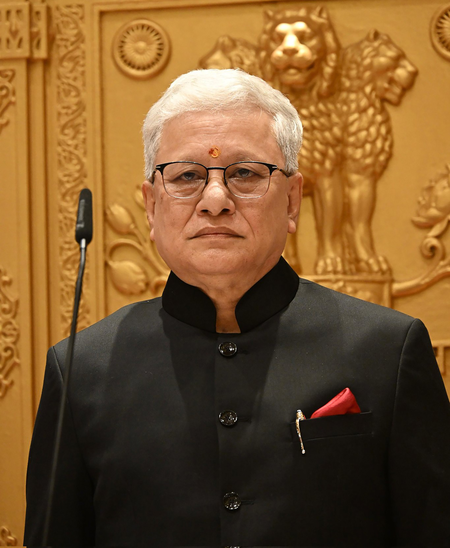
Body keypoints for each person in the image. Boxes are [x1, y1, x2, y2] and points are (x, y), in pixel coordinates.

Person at [24, 69, 450, 547]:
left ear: (292, 201)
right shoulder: (81, 369)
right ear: (151, 206)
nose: (215, 200)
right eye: (186, 176)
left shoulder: (388, 352)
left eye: (245, 173)